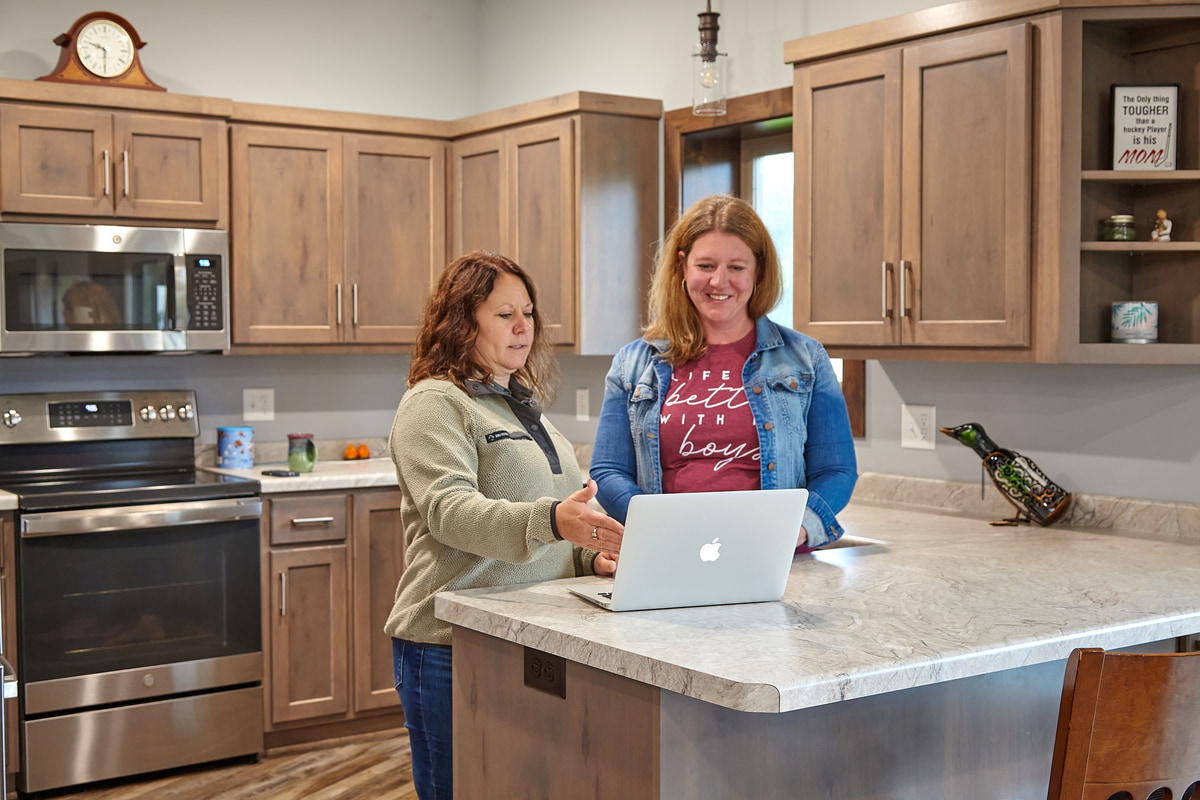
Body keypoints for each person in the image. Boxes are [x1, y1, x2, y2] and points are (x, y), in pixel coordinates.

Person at [384, 250, 622, 800]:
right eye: (504, 314)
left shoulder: (521, 405)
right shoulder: (433, 404)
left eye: (530, 313)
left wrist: (590, 554)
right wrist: (553, 522)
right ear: (461, 321)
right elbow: (450, 512)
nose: (523, 327)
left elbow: (561, 519)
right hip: (448, 643)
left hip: (529, 635)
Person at [590, 195, 857, 550]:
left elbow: (837, 471)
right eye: (706, 265)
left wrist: (800, 528)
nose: (720, 281)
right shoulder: (633, 363)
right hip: (669, 553)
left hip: (774, 560)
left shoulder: (806, 359)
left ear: (758, 271)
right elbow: (608, 472)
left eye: (736, 267)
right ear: (682, 267)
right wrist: (656, 527)